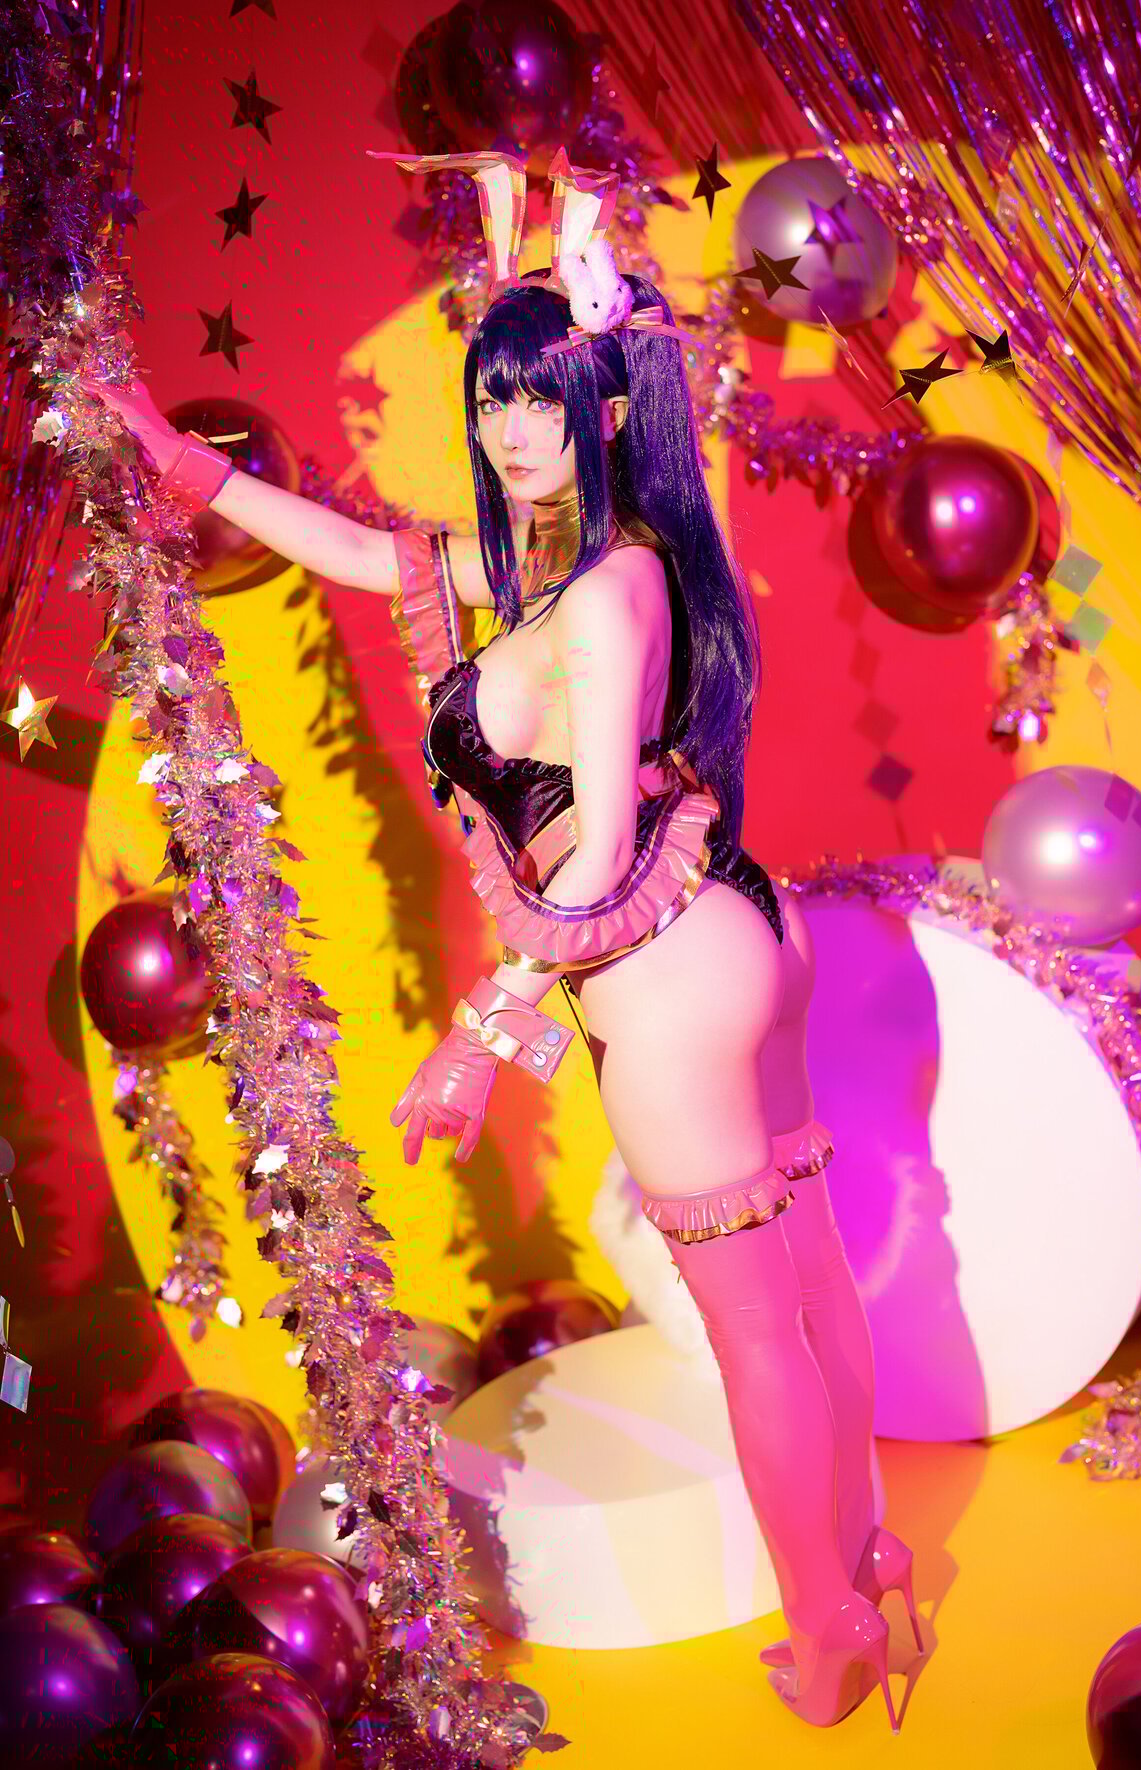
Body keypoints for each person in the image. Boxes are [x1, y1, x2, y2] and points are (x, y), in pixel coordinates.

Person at [85, 146, 920, 1733]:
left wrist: (482, 1038)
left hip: (661, 965)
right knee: (808, 1284)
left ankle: (828, 1629)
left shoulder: (601, 595)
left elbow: (594, 848)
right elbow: (357, 553)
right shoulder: (554, 570)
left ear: (602, 406)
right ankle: (867, 1559)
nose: (513, 428)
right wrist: (179, 462)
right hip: (739, 926)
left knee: (759, 1327)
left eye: (541, 397)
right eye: (492, 400)